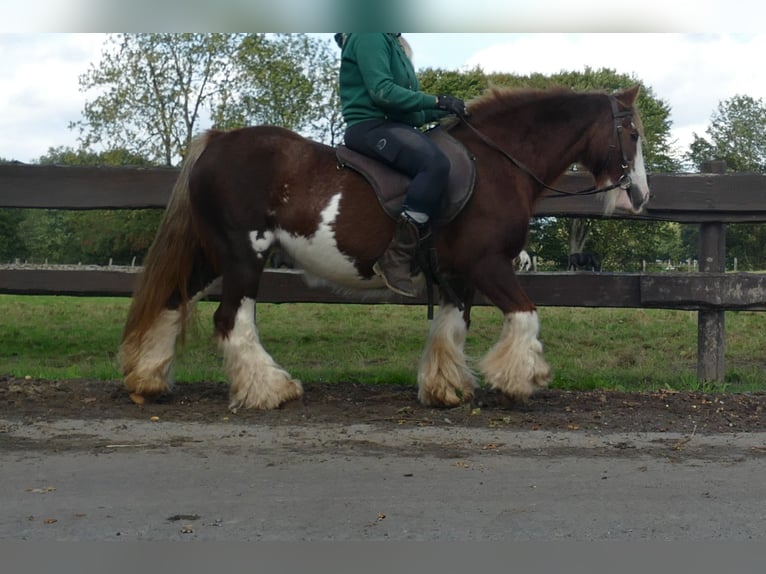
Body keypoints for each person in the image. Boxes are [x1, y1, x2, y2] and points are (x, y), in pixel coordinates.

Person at [336, 33, 468, 297]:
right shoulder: (369, 34)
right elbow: (383, 92)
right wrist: (436, 100)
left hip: (395, 124)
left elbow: (409, 109)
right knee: (434, 164)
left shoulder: (392, 41)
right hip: (370, 126)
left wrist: (447, 109)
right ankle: (396, 254)